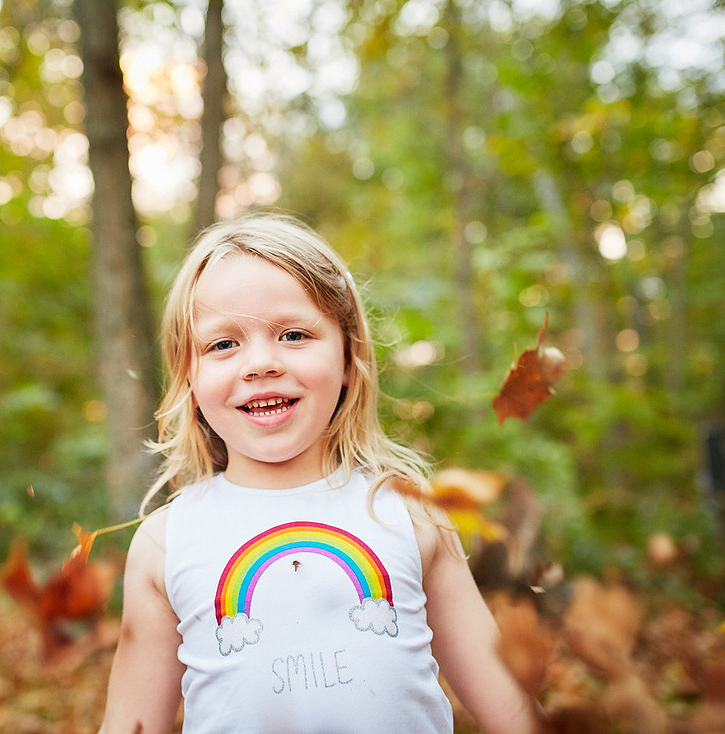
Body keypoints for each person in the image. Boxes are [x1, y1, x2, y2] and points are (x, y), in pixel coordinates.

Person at [98, 213, 537, 733]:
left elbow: (512, 713)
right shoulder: (166, 543)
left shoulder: (410, 514)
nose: (260, 363)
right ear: (189, 378)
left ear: (349, 358)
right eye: (223, 344)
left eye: (293, 334)